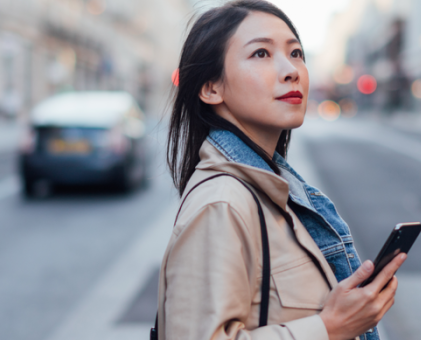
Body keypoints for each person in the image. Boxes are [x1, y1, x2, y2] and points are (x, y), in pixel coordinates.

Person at [158, 1, 406, 339]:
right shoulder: (223, 202)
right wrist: (329, 329)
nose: (291, 70)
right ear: (211, 87)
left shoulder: (270, 189)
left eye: (296, 53)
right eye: (261, 53)